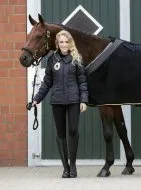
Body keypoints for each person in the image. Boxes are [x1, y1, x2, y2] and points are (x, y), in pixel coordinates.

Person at [32, 30, 88, 178]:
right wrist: (37, 99)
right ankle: (65, 168)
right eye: (61, 42)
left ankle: (73, 166)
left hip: (74, 100)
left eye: (66, 42)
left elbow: (82, 81)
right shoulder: (52, 60)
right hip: (57, 101)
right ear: (57, 44)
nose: (64, 44)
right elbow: (47, 83)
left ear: (70, 43)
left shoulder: (77, 58)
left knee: (73, 131)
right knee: (60, 133)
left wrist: (84, 100)